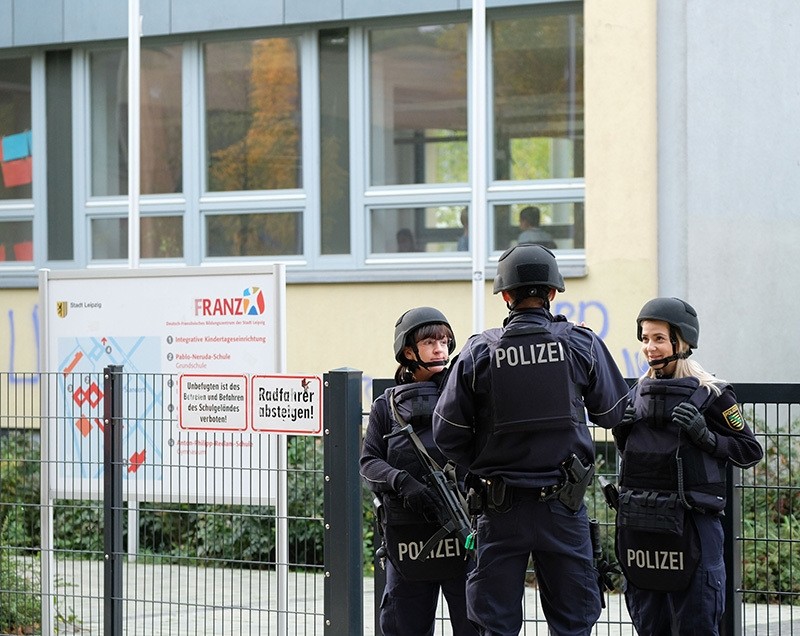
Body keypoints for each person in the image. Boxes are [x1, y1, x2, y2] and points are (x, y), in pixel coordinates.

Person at [432, 243, 630, 636]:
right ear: (553, 292)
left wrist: (486, 463)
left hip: (499, 510)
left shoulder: (478, 352)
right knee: (573, 623)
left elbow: (446, 435)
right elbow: (615, 413)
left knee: (496, 624)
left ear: (505, 296)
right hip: (563, 506)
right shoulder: (581, 344)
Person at [612, 297, 763, 635]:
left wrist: (707, 437)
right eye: (645, 339)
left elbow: (750, 451)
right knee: (651, 626)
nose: (650, 348)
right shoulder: (636, 394)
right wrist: (622, 432)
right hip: (642, 526)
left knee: (697, 623)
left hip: (693, 526)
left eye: (659, 339)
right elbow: (638, 459)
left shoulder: (712, 394)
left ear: (682, 342)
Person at [360, 307, 478, 636]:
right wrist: (403, 482)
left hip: (464, 535)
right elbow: (368, 462)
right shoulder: (387, 404)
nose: (441, 348)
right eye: (430, 342)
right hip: (408, 540)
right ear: (409, 352)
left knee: (474, 625)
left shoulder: (465, 395)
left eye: (445, 341)